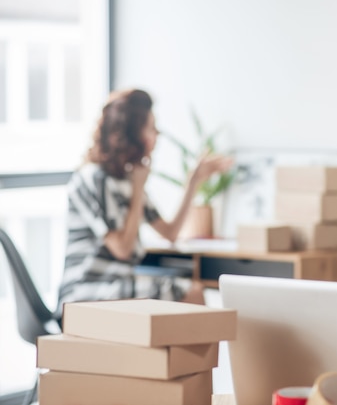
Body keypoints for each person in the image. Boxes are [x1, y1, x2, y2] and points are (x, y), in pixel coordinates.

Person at [56, 89, 232, 316]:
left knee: (189, 291)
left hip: (116, 284)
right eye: (151, 127)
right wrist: (139, 187)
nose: (157, 134)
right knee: (193, 293)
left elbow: (170, 233)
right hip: (85, 292)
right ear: (132, 133)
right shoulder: (93, 178)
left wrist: (194, 181)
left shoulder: (127, 181)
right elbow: (122, 249)